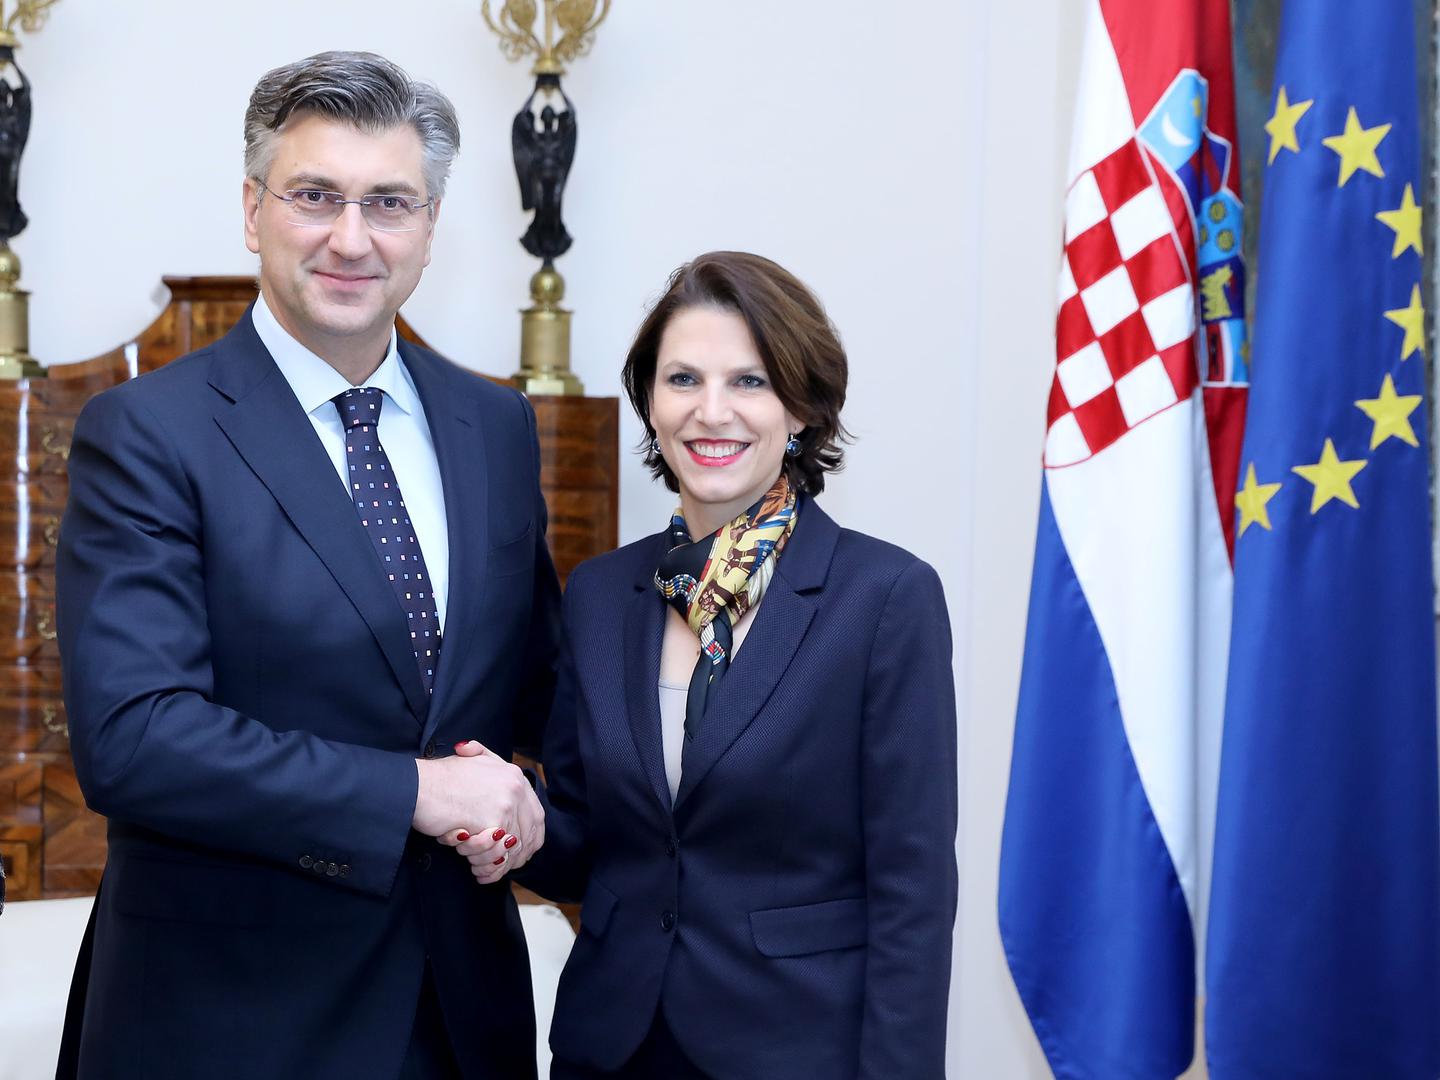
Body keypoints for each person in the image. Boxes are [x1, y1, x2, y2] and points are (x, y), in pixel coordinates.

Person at [54, 52, 558, 1079]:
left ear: (429, 227)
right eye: (315, 196)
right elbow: (134, 738)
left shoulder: (495, 425)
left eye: (389, 203)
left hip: (463, 1017)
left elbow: (540, 692)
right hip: (228, 1021)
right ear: (253, 211)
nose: (351, 238)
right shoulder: (146, 432)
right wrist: (414, 793)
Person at [448, 251, 959, 1078]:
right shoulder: (601, 592)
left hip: (795, 1052)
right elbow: (585, 839)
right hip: (611, 1047)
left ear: (800, 408)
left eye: (748, 382)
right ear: (650, 404)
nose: (710, 411)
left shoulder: (884, 598)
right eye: (682, 379)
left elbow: (913, 890)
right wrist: (503, 816)